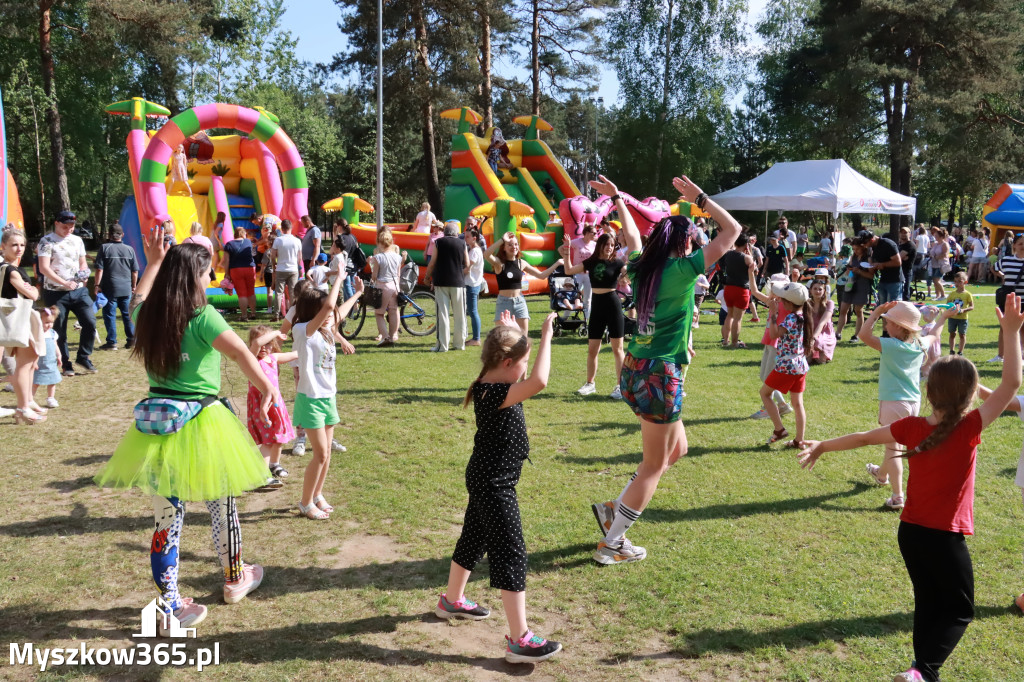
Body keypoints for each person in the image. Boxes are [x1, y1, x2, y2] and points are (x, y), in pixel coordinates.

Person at [797, 293, 1024, 682]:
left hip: (911, 532)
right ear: (970, 397)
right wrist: (1011, 333)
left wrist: (823, 445)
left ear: (929, 391)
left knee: (928, 603)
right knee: (958, 609)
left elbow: (863, 437)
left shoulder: (913, 427)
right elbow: (1012, 384)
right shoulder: (969, 427)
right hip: (944, 537)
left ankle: (917, 671)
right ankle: (924, 671)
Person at [94, 229, 274, 632]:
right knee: (222, 505)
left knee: (166, 519)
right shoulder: (203, 316)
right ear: (195, 276)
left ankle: (169, 602)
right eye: (207, 273)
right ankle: (234, 579)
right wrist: (267, 388)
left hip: (156, 426)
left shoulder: (147, 317)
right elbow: (243, 353)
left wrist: (155, 260)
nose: (210, 279)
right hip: (204, 422)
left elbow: (138, 298)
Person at [589, 173, 741, 565]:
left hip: (635, 369)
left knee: (678, 449)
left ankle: (614, 510)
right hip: (659, 374)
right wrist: (701, 198)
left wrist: (619, 196)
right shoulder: (686, 269)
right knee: (654, 464)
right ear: (687, 242)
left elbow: (635, 239)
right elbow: (733, 230)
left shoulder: (642, 265)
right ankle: (613, 542)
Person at [437, 309, 562, 664]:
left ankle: (452, 601)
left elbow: (519, 367)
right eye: (521, 361)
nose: (524, 368)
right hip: (493, 483)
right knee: (511, 552)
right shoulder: (492, 392)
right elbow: (539, 381)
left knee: (473, 538)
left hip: (487, 478)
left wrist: (511, 330)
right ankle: (519, 639)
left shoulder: (495, 382)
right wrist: (547, 334)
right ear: (507, 363)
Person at [858, 301, 954, 510]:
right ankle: (881, 474)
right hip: (913, 403)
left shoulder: (891, 345)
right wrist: (944, 317)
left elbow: (863, 335)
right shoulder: (919, 344)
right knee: (895, 444)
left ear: (900, 327)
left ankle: (898, 496)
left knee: (893, 448)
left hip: (894, 403)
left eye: (889, 322)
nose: (886, 325)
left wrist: (875, 312)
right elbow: (935, 334)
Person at [291, 269, 363, 519]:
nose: (330, 315)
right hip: (310, 400)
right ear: (314, 311)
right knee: (320, 453)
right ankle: (305, 502)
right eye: (324, 312)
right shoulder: (303, 330)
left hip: (327, 398)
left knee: (327, 454)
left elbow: (337, 310)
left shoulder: (325, 329)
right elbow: (331, 305)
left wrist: (359, 294)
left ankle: (318, 494)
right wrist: (339, 278)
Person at [563, 231, 628, 398]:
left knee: (618, 349)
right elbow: (569, 270)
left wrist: (629, 271)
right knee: (592, 349)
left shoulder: (618, 262)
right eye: (606, 244)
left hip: (613, 305)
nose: (609, 248)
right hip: (597, 305)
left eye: (612, 245)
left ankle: (621, 387)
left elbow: (629, 274)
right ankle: (590, 383)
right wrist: (567, 251)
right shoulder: (591, 262)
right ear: (600, 245)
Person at [38, 210, 97, 375]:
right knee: (59, 329)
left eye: (72, 227)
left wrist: (84, 274)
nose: (69, 230)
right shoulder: (46, 241)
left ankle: (83, 356)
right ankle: (65, 363)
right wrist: (64, 282)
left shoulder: (77, 240)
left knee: (90, 321)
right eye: (65, 226)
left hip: (79, 291)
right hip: (56, 293)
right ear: (56, 223)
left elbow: (83, 262)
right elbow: (44, 268)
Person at [1, 228, 45, 423]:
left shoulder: (14, 268)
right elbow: (34, 294)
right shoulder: (9, 270)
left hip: (23, 319)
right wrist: (32, 289)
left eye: (22, 245)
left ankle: (27, 401)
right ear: (3, 247)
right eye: (14, 245)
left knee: (30, 362)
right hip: (18, 320)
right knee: (25, 364)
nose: (19, 249)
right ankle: (22, 407)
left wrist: (31, 290)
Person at [759, 282, 811, 447]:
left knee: (765, 394)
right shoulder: (804, 315)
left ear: (788, 303)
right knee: (797, 403)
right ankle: (799, 440)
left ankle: (779, 429)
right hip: (800, 364)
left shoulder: (790, 318)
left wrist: (773, 313)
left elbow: (774, 334)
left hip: (787, 365)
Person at [247, 326, 298, 490]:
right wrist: (275, 333)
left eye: (269, 344)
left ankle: (274, 465)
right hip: (260, 405)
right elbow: (256, 343)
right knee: (268, 440)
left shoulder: (273, 358)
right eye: (264, 343)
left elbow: (296, 354)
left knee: (279, 437)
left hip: (276, 404)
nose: (264, 347)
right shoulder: (252, 359)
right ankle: (261, 475)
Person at [484, 232, 563, 334]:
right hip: (504, 302)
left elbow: (542, 275)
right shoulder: (500, 264)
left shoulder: (521, 263)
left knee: (523, 337)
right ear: (504, 248)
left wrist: (557, 263)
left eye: (516, 244)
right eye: (510, 245)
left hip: (519, 302)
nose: (514, 247)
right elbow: (486, 254)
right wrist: (502, 240)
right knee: (502, 336)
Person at [425, 221, 469, 352]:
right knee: (460, 314)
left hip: (441, 281)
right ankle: (459, 344)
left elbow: (432, 263)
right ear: (456, 233)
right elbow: (466, 263)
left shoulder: (439, 242)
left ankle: (443, 345)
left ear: (444, 232)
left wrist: (427, 277)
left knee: (442, 314)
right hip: (458, 282)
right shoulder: (462, 243)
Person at [94, 223, 139, 350]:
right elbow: (135, 271)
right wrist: (133, 286)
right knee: (127, 315)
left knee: (109, 314)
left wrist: (97, 285)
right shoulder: (130, 249)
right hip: (126, 288)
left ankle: (112, 342)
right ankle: (131, 340)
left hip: (110, 288)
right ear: (122, 235)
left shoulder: (104, 248)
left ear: (109, 234)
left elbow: (99, 269)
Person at [990, 232, 1024, 363]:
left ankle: (1021, 356)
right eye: (1020, 243)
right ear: (1014, 245)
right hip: (1009, 300)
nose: (1023, 246)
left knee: (1022, 329)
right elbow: (993, 268)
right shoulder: (1006, 260)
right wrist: (1002, 276)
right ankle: (1000, 355)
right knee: (1004, 328)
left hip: (1023, 300)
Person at [368, 230, 405, 346]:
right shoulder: (397, 257)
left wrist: (371, 279)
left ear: (379, 243)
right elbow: (398, 272)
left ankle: (385, 337)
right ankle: (393, 336)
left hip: (382, 285)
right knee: (393, 311)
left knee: (379, 313)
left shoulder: (378, 257)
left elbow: (374, 275)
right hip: (394, 285)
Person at [719, 233, 755, 349]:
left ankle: (725, 340)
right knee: (738, 318)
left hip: (728, 288)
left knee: (729, 315)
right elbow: (754, 269)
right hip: (741, 290)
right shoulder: (747, 258)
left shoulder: (728, 254)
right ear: (746, 245)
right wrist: (750, 254)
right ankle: (734, 342)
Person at [840, 238, 874, 343]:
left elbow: (871, 275)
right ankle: (838, 333)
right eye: (854, 249)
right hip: (851, 284)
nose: (855, 251)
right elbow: (847, 271)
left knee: (858, 310)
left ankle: (857, 335)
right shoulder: (853, 256)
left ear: (863, 247)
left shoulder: (868, 258)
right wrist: (849, 270)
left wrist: (859, 271)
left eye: (857, 249)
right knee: (844, 309)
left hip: (862, 285)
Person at [221, 227, 258, 321]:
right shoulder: (248, 242)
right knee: (251, 291)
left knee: (242, 294)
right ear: (243, 234)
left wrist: (227, 274)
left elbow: (227, 261)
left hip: (236, 270)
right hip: (250, 268)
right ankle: (253, 313)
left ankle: (244, 316)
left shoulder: (229, 244)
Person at [270, 219, 303, 320]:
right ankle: (294, 314)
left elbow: (272, 254)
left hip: (281, 268)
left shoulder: (278, 240)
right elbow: (299, 257)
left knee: (279, 293)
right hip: (293, 269)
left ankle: (276, 314)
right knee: (293, 292)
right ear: (291, 228)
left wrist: (274, 264)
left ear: (282, 229)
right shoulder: (297, 240)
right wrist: (298, 266)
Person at [860, 229, 903, 305]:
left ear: (872, 239)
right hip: (882, 280)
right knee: (882, 307)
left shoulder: (888, 244)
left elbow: (898, 262)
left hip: (894, 280)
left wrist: (882, 264)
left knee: (892, 307)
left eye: (865, 243)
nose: (865, 245)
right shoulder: (873, 247)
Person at [32, 306, 63, 409]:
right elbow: (34, 349)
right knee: (36, 382)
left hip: (50, 361)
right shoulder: (37, 334)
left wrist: (59, 355)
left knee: (52, 381)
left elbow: (55, 345)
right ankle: (29, 399)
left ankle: (51, 398)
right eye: (46, 322)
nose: (49, 325)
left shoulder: (52, 333)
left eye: (51, 322)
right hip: (39, 362)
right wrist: (34, 362)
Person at [569, 225, 600, 321]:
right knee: (574, 295)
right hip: (577, 273)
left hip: (589, 274)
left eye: (596, 233)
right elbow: (561, 248)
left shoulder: (594, 245)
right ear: (586, 233)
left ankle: (586, 320)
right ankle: (570, 317)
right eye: (593, 233)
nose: (595, 235)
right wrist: (568, 262)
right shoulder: (576, 242)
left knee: (588, 298)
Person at [464, 229, 485, 347]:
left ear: (474, 238)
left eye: (467, 237)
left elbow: (467, 269)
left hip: (472, 284)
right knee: (472, 311)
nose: (465, 238)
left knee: (473, 311)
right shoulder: (474, 250)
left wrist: (455, 273)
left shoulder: (474, 252)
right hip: (473, 283)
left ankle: (476, 338)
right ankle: (474, 337)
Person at [807, 278, 835, 365]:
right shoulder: (807, 303)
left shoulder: (829, 303)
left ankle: (818, 351)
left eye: (820, 289)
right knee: (807, 360)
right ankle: (812, 352)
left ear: (824, 291)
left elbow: (822, 323)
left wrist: (813, 338)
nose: (817, 291)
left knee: (820, 361)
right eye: (815, 289)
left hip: (825, 332)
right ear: (810, 290)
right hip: (810, 331)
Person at [946, 272, 973, 356]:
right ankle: (951, 350)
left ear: (965, 282)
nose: (957, 283)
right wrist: (950, 309)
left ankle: (960, 351)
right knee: (952, 333)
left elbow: (972, 307)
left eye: (959, 281)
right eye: (955, 281)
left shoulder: (968, 294)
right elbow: (948, 305)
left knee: (962, 334)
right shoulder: (952, 294)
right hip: (952, 318)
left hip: (963, 318)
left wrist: (963, 310)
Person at [929, 227, 951, 300]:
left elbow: (945, 254)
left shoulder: (945, 244)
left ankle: (943, 295)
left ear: (941, 237)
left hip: (941, 264)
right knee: (935, 280)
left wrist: (936, 257)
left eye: (937, 236)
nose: (935, 237)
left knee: (937, 280)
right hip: (934, 264)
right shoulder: (935, 244)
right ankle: (937, 295)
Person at [898, 227, 917, 302]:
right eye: (902, 232)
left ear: (910, 234)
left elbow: (898, 258)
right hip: (899, 270)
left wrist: (899, 257)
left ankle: (907, 309)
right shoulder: (900, 245)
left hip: (906, 271)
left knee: (905, 292)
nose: (903, 234)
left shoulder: (910, 245)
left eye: (905, 233)